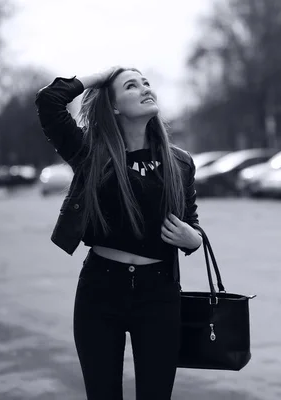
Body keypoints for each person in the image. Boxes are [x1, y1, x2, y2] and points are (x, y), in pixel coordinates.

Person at [35, 67, 203, 399]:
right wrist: (102, 76)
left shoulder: (179, 162)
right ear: (113, 106)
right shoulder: (91, 154)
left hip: (159, 294)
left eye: (147, 83)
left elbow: (193, 225)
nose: (145, 89)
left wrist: (193, 239)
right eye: (131, 85)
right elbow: (48, 101)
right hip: (100, 290)